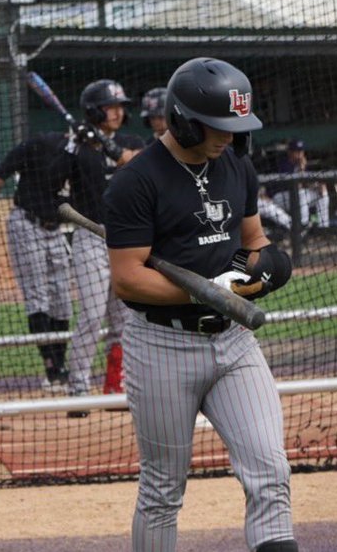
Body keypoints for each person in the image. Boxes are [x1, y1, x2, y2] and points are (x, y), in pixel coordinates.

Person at [103, 57, 298, 552]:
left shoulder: (236, 165)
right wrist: (204, 289)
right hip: (162, 346)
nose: (229, 137)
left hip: (235, 344)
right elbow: (128, 278)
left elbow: (252, 240)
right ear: (184, 120)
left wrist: (257, 271)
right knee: (163, 489)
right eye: (218, 126)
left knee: (271, 470)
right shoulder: (136, 181)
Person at [0, 131, 72, 392]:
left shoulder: (83, 156)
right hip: (26, 225)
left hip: (55, 230)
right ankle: (52, 369)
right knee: (38, 297)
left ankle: (60, 366)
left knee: (63, 300)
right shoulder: (37, 145)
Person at [61, 79, 146, 404]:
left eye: (120, 107)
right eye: (110, 107)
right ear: (94, 111)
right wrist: (74, 143)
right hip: (91, 236)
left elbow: (139, 161)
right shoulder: (80, 147)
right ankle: (78, 386)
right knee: (93, 314)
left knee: (125, 318)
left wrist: (108, 146)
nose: (118, 112)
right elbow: (57, 173)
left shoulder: (130, 142)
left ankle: (116, 384)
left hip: (126, 240)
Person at [270, 140, 330, 232]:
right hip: (279, 197)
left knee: (322, 193)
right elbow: (296, 186)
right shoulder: (283, 165)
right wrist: (301, 169)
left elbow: (305, 183)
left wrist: (317, 186)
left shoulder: (301, 164)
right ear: (289, 152)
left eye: (301, 151)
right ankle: (302, 227)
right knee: (301, 193)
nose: (300, 154)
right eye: (296, 151)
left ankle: (323, 228)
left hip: (297, 196)